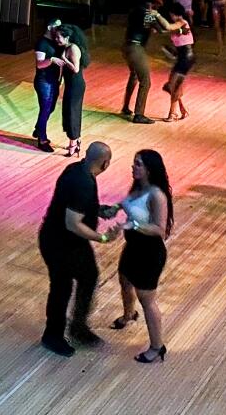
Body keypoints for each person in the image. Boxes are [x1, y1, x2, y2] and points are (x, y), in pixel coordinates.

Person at [38, 141, 121, 357]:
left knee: (87, 277)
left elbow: (77, 206)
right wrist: (103, 237)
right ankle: (55, 335)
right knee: (62, 287)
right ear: (105, 164)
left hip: (61, 239)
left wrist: (99, 211)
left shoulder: (76, 169)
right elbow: (72, 223)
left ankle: (76, 328)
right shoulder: (83, 183)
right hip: (61, 243)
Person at [107, 150, 173, 364]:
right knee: (125, 281)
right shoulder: (137, 187)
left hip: (150, 254)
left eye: (138, 164)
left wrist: (133, 224)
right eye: (133, 163)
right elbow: (129, 205)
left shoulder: (156, 195)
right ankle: (128, 316)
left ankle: (157, 346)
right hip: (133, 247)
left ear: (149, 169)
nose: (133, 167)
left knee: (147, 300)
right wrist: (116, 207)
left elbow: (159, 230)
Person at [120, 0, 173, 124]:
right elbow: (162, 30)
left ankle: (126, 107)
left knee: (133, 76)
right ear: (153, 4)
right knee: (145, 81)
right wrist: (180, 29)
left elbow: (145, 26)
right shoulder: (148, 14)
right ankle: (139, 114)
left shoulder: (135, 11)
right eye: (157, 5)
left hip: (126, 46)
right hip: (136, 48)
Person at [56, 24, 90, 158]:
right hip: (71, 85)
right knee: (68, 112)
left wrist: (64, 59)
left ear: (67, 37)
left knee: (72, 113)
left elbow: (75, 69)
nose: (56, 39)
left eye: (58, 37)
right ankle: (76, 140)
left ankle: (73, 145)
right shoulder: (67, 47)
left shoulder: (73, 49)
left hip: (76, 85)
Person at [33, 22, 64, 153]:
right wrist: (51, 60)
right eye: (56, 27)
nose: (59, 29)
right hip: (44, 81)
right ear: (49, 27)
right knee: (45, 109)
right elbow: (39, 64)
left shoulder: (54, 42)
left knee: (50, 108)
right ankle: (42, 139)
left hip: (54, 80)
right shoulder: (42, 43)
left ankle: (38, 129)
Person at [162, 3, 195, 122]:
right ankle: (182, 110)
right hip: (182, 57)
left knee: (174, 86)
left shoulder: (182, 22)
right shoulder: (180, 27)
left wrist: (156, 16)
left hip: (186, 58)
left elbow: (168, 28)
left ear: (173, 13)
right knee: (170, 86)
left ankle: (172, 114)